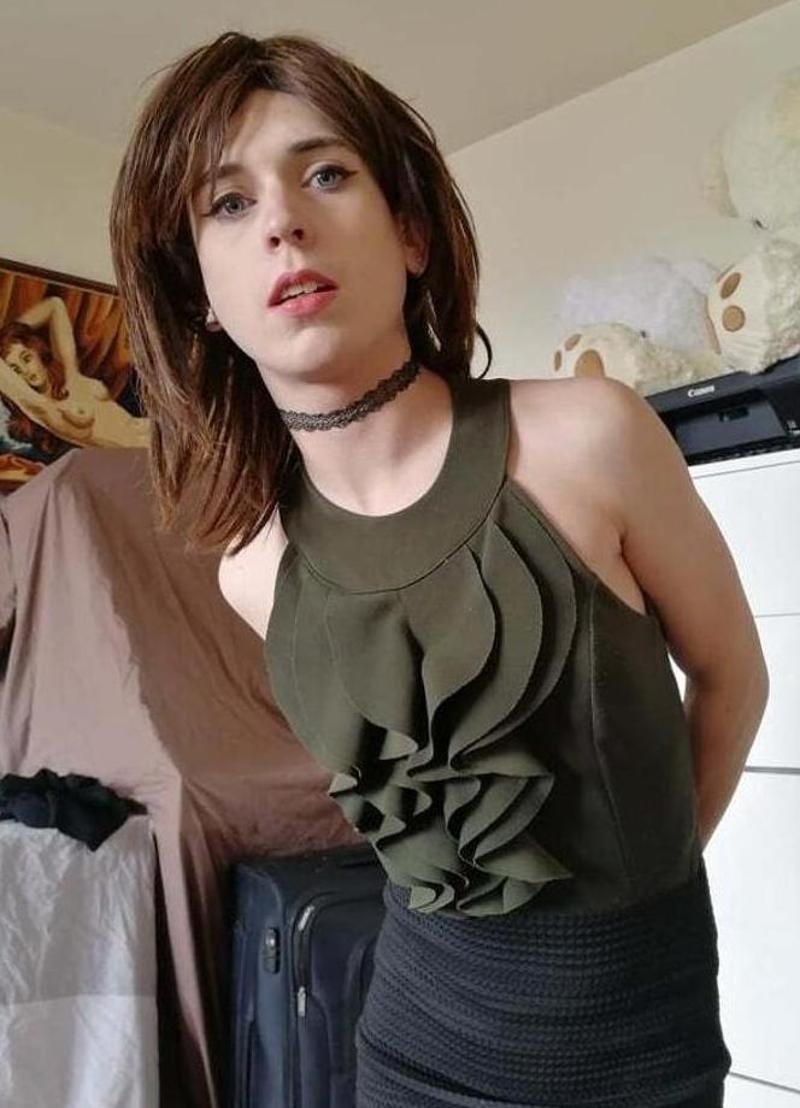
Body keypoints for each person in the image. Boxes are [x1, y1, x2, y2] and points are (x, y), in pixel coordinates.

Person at [109, 31, 769, 1108]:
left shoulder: (591, 437)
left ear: (411, 232)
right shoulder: (253, 570)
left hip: (642, 1060)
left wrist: (644, 897)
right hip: (412, 1055)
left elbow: (734, 675)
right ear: (200, 296)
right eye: (227, 203)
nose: (281, 221)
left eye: (326, 173)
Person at [0, 296, 150, 450]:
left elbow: (55, 306)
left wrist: (12, 333)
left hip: (149, 428)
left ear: (37, 351)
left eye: (26, 358)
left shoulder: (71, 377)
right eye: (16, 370)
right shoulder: (44, 409)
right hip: (141, 449)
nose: (25, 371)